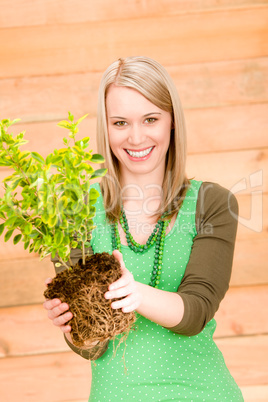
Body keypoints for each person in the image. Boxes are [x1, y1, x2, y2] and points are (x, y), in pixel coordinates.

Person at [43, 56, 244, 401]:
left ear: (171, 123)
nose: (136, 137)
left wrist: (134, 293)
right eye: (120, 122)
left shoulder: (213, 202)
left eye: (150, 119)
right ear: (106, 128)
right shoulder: (73, 207)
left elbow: (196, 311)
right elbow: (94, 349)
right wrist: (73, 326)